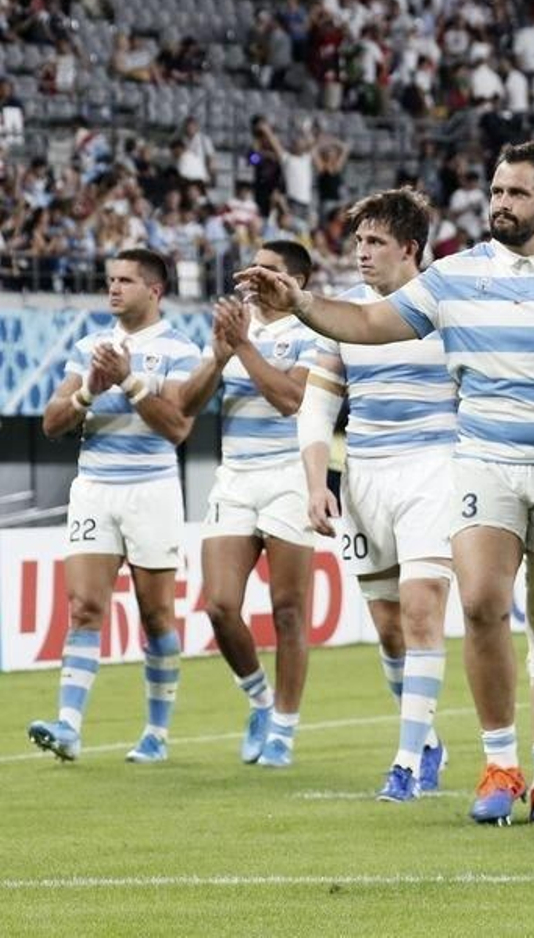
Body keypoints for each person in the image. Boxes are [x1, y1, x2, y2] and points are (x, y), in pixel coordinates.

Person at [236, 141, 534, 826]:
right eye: (496, 191)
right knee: (479, 605)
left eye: (516, 193)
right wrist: (299, 302)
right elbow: (368, 321)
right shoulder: (456, 275)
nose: (501, 203)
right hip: (483, 463)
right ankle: (500, 762)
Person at [297, 188, 456, 801]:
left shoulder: (447, 307)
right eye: (358, 241)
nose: (361, 252)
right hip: (365, 478)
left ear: (410, 248)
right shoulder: (343, 317)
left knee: (421, 609)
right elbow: (317, 406)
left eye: (375, 242)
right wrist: (318, 484)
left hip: (434, 469)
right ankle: (429, 740)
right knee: (390, 630)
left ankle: (405, 763)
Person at [27, 249, 199, 763]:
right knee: (84, 607)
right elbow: (52, 422)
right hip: (94, 488)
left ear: (154, 290)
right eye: (111, 280)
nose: (114, 288)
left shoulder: (179, 348)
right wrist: (87, 392)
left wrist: (128, 381)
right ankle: (68, 727)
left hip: (152, 489)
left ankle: (156, 734)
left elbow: (177, 427)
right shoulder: (89, 347)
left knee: (157, 615)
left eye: (126, 280)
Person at [181, 240, 319, 768]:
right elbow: (185, 406)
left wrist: (242, 347)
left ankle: (284, 728)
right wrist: (220, 354)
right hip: (235, 477)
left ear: (295, 282)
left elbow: (292, 400)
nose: (255, 276)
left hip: (290, 475)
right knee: (219, 605)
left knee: (287, 611)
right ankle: (260, 701)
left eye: (269, 269)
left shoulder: (312, 332)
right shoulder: (235, 329)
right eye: (253, 267)